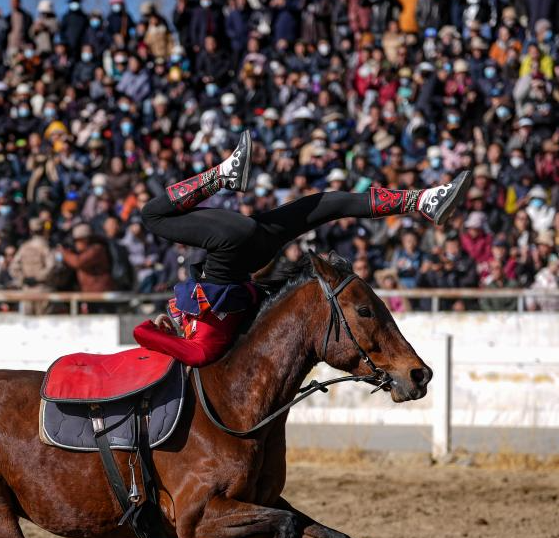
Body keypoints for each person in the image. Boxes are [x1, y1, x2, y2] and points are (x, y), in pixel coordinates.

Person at [133, 132, 472, 366]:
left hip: (256, 252)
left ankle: (425, 200)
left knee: (331, 204)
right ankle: (225, 174)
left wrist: (172, 329)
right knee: (151, 215)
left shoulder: (209, 336)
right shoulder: (201, 351)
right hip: (233, 250)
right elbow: (140, 332)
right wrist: (166, 334)